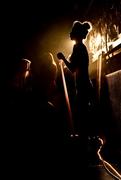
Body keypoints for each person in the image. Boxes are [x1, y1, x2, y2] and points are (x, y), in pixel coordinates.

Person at [57, 21, 93, 175]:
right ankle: (84, 152)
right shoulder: (79, 47)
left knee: (82, 119)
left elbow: (72, 69)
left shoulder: (79, 47)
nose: (70, 33)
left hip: (84, 87)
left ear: (77, 34)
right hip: (83, 87)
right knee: (82, 118)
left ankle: (85, 155)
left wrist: (63, 58)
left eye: (72, 31)